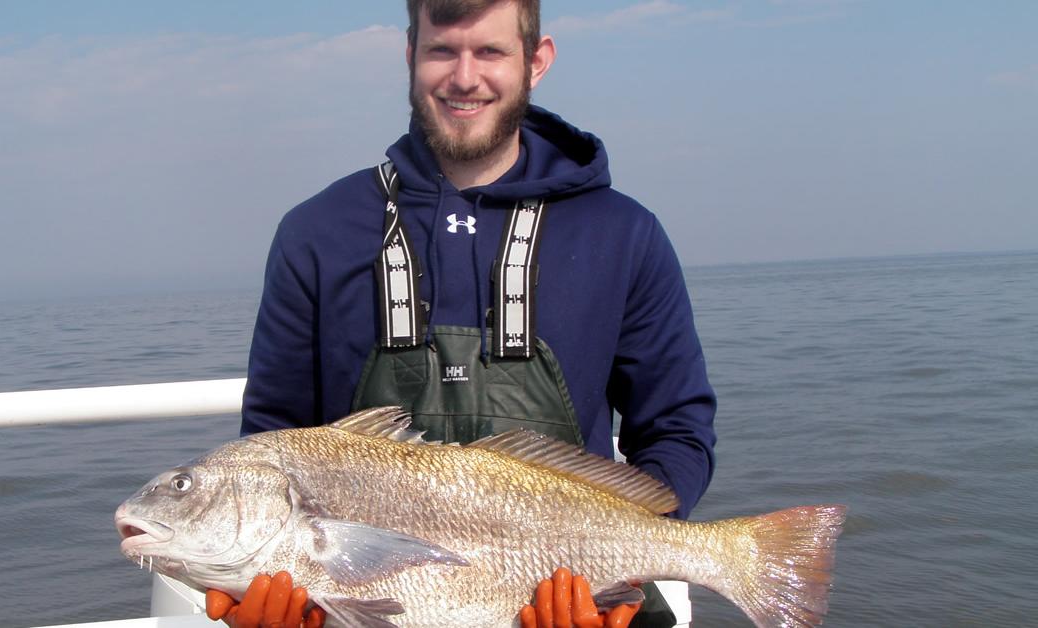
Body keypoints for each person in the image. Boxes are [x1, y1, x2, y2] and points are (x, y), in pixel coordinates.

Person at [220, 0, 717, 625]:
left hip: (569, 604)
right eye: (441, 50)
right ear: (409, 56)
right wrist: (274, 595)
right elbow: (273, 439)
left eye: (490, 51)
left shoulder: (627, 234)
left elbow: (676, 429)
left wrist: (619, 571)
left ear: (536, 62)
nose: (463, 77)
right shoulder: (314, 234)